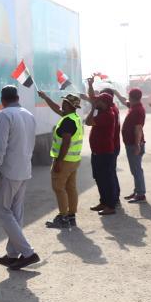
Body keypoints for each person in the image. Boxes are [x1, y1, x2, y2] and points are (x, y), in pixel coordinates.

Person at [0, 85, 39, 269]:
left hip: (9, 171)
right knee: (16, 213)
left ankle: (28, 253)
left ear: (2, 100)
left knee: (2, 211)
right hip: (24, 169)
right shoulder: (29, 115)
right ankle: (13, 254)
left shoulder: (5, 115)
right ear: (17, 97)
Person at [37, 91, 84, 229]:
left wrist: (58, 161)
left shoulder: (68, 121)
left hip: (65, 160)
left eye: (64, 102)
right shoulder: (74, 117)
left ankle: (63, 217)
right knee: (71, 188)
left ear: (69, 105)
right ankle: (71, 216)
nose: (62, 104)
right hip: (74, 160)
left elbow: (66, 143)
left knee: (58, 187)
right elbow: (56, 108)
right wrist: (46, 97)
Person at [86, 79, 121, 216]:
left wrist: (93, 108)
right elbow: (91, 98)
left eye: (99, 101)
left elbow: (88, 122)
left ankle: (110, 205)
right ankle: (104, 202)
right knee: (99, 177)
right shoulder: (103, 111)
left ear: (105, 103)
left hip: (104, 152)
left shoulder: (107, 115)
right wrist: (90, 86)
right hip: (97, 151)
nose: (96, 102)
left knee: (106, 178)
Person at [119, 88, 147, 203]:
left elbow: (138, 128)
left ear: (131, 97)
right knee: (135, 170)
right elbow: (124, 101)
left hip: (134, 144)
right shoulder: (134, 106)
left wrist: (137, 145)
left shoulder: (137, 110)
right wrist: (115, 92)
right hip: (132, 143)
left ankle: (140, 194)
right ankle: (137, 191)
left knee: (136, 170)